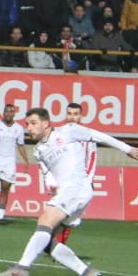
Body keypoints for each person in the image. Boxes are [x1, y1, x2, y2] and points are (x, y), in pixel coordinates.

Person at [0, 107, 138, 276]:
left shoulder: (67, 131)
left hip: (77, 188)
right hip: (68, 192)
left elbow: (98, 136)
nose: (29, 128)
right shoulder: (39, 150)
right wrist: (51, 184)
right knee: (49, 243)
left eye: (33, 123)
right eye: (27, 124)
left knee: (45, 220)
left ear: (46, 123)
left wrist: (127, 149)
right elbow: (46, 171)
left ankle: (22, 266)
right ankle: (87, 273)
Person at [38, 102, 95, 248]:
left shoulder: (86, 134)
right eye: (69, 114)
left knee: (70, 216)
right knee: (57, 213)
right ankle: (52, 243)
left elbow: (92, 158)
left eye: (75, 114)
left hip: (80, 182)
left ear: (80, 116)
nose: (72, 117)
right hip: (63, 182)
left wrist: (88, 180)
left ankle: (56, 244)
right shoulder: (59, 133)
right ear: (66, 115)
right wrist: (52, 180)